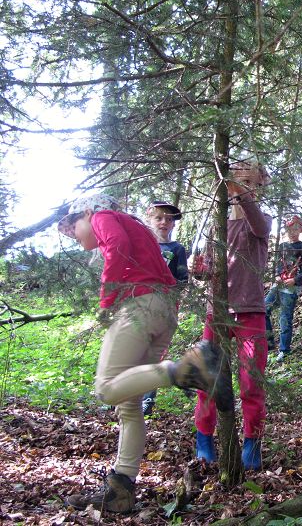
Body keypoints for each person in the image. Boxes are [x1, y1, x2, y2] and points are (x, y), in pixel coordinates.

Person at [58, 193, 229, 514]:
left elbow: (117, 243)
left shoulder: (104, 216)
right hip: (162, 309)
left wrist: (107, 301)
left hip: (139, 307)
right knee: (129, 404)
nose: (75, 232)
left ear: (88, 211)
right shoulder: (139, 229)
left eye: (74, 224)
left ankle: (186, 370)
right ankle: (120, 489)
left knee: (107, 388)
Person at [192, 161, 272, 471]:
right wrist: (201, 271)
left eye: (250, 181)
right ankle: (204, 438)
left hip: (250, 311)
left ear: (259, 185)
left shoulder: (261, 220)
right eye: (237, 180)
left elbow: (259, 226)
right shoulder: (218, 224)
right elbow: (214, 269)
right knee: (209, 377)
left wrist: (241, 194)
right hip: (218, 312)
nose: (243, 185)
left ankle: (252, 441)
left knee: (251, 379)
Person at [141, 200, 189, 416]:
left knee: (155, 354)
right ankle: (122, 393)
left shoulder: (177, 249)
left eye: (168, 219)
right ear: (149, 219)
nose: (163, 222)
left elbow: (182, 280)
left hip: (165, 308)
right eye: (158, 218)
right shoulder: (142, 245)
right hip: (140, 306)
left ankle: (146, 399)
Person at [265, 215, 302, 361]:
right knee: (263, 309)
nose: (293, 231)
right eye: (291, 228)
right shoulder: (282, 246)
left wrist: (295, 280)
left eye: (297, 228)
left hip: (290, 288)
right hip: (278, 285)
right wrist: (277, 275)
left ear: (301, 230)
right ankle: (268, 344)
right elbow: (277, 265)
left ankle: (284, 350)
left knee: (285, 318)